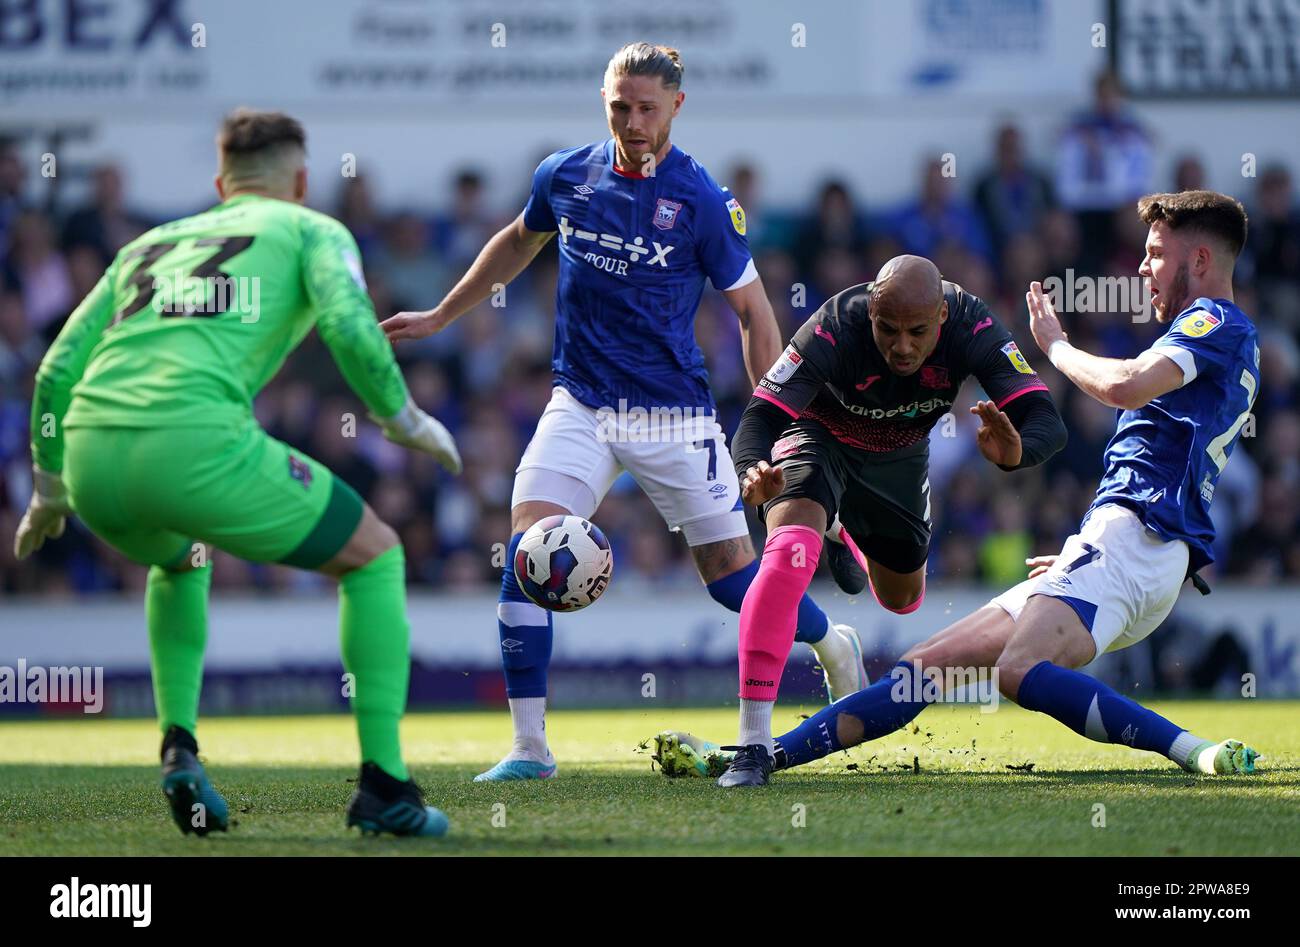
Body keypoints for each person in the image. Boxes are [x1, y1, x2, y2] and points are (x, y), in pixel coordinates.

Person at [660, 192, 1261, 783]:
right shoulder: (834, 327)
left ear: (1201, 260)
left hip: (1135, 544)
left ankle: (1194, 750)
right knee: (920, 671)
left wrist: (1054, 346)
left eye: (1155, 253)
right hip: (1126, 548)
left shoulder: (1215, 322)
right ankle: (760, 754)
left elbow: (1126, 386)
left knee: (1017, 670)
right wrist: (1090, 557)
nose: (1142, 267)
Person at [382, 42, 861, 782]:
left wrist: (777, 425)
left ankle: (833, 643)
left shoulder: (702, 199)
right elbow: (517, 241)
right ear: (603, 102)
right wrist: (444, 313)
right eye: (619, 106)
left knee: (735, 582)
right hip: (580, 401)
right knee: (525, 553)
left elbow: (753, 314)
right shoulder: (566, 174)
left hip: (673, 414)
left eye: (646, 108)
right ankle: (529, 747)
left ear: (676, 104)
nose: (632, 122)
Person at [13, 108, 461, 838]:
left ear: (222, 184)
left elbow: (57, 367)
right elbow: (351, 327)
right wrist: (402, 417)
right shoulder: (312, 228)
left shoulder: (146, 244)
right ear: (304, 180)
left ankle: (178, 746)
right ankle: (385, 785)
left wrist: (49, 487)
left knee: (183, 557)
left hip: (93, 454)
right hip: (194, 444)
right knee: (376, 553)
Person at [711, 253, 1068, 787]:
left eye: (917, 332)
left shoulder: (974, 324)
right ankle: (752, 744)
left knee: (901, 599)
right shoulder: (834, 325)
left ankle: (842, 531)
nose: (902, 346)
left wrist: (1016, 454)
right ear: (870, 313)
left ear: (942, 319)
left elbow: (1046, 421)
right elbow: (760, 415)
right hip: (817, 440)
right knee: (786, 556)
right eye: (887, 330)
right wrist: (751, 472)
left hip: (898, 456)